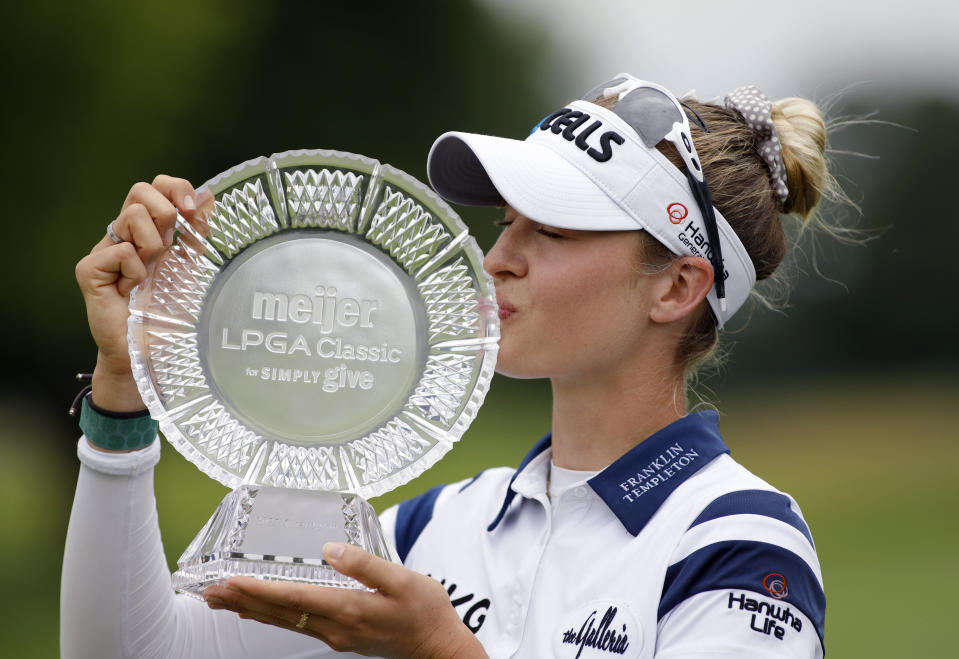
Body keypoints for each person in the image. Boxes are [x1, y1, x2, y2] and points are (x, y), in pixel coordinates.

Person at [63, 74, 835, 658]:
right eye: (506, 224)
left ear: (675, 286)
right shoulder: (432, 527)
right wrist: (124, 386)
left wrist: (445, 649)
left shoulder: (737, 541)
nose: (497, 259)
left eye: (553, 232)